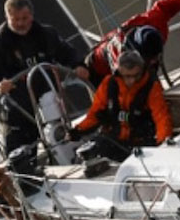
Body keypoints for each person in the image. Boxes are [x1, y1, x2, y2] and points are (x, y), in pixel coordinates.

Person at [0, 0, 83, 173]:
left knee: (59, 137)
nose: (21, 23)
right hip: (18, 109)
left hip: (49, 102)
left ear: (32, 15)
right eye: (16, 19)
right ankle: (23, 183)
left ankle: (69, 168)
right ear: (7, 18)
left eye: (25, 18)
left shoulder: (47, 34)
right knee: (20, 158)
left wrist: (79, 65)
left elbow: (66, 52)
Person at [70, 46, 172, 176]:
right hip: (115, 138)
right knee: (95, 149)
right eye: (127, 76)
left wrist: (164, 143)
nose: (132, 80)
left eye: (136, 75)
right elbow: (95, 114)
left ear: (142, 71)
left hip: (140, 141)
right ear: (119, 72)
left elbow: (161, 117)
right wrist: (78, 130)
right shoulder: (109, 84)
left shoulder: (151, 87)